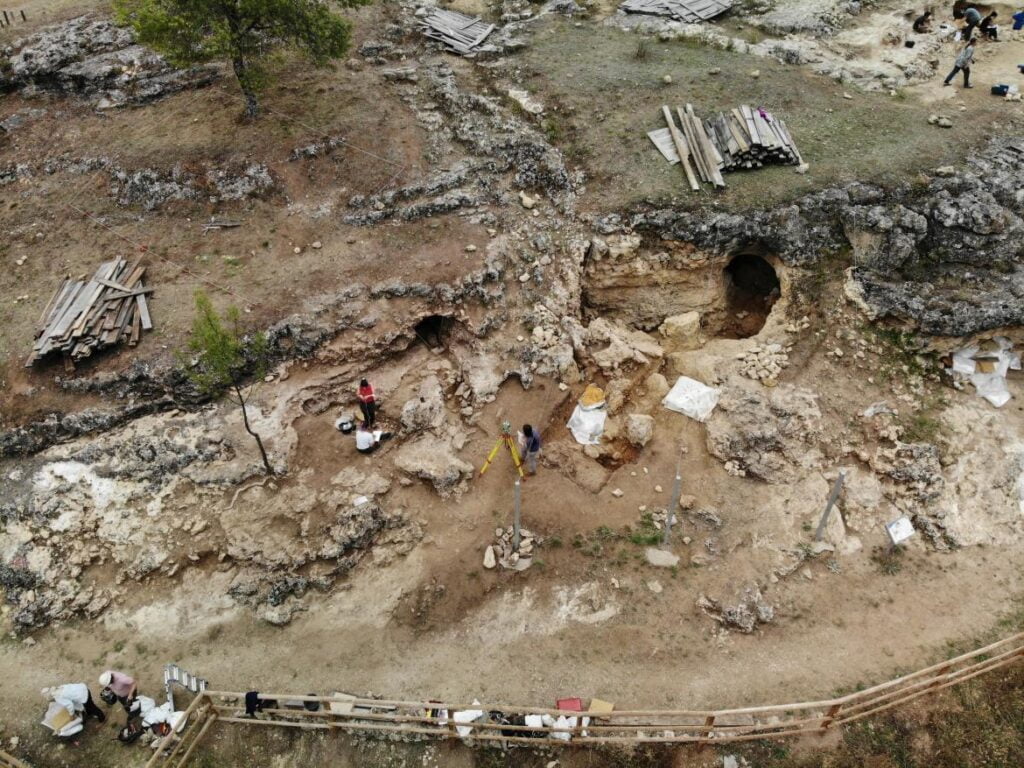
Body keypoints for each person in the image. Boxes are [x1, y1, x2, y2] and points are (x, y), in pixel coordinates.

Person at [42, 684, 106, 724]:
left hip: (83, 695)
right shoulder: (59, 687)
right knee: (88, 705)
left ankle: (102, 718)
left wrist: (71, 715)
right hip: (84, 688)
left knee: (92, 707)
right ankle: (90, 713)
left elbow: (70, 705)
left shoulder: (58, 697)